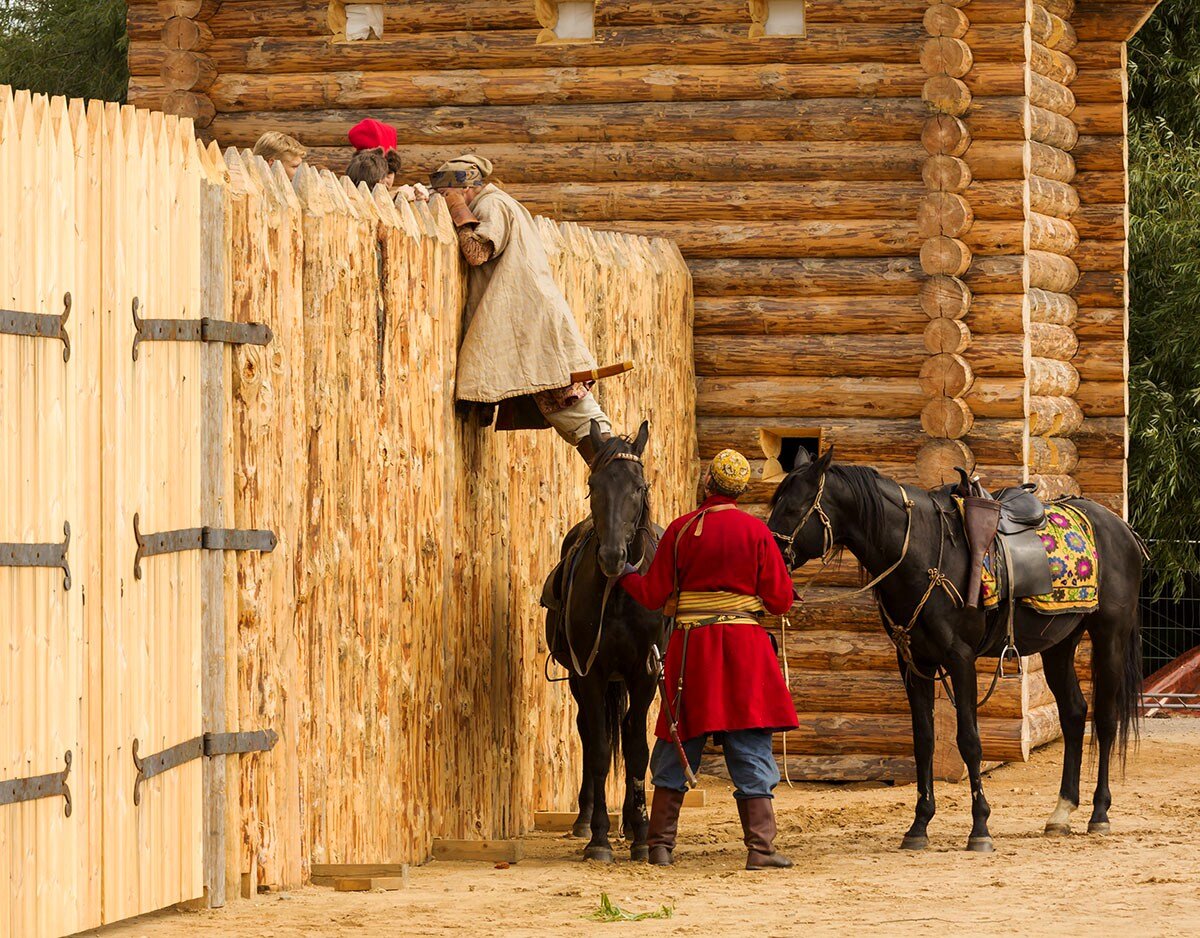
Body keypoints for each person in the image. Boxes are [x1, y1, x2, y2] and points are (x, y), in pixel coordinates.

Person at [620, 450, 798, 870]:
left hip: (692, 651)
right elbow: (781, 602)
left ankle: (660, 846)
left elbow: (650, 595)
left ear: (707, 483)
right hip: (745, 650)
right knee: (751, 742)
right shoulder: (757, 532)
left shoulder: (680, 531)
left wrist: (625, 573)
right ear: (740, 490)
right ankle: (760, 850)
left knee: (678, 742)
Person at [430, 154, 612, 463]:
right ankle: (614, 472)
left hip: (533, 324)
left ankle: (618, 472)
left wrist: (458, 211)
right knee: (571, 412)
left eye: (446, 194)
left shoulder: (492, 205)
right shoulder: (503, 203)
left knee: (575, 411)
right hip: (531, 318)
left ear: (463, 190)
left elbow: (476, 252)